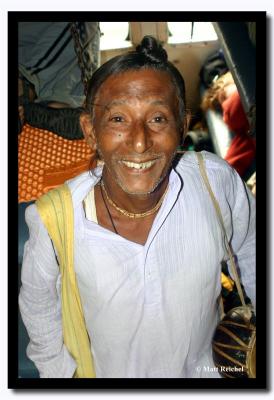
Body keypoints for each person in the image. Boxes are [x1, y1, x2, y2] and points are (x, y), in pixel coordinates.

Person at [19, 36, 256, 378]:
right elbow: (38, 306)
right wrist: (59, 374)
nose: (141, 141)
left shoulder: (216, 183)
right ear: (90, 131)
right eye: (117, 119)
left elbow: (251, 251)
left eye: (158, 119)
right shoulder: (55, 218)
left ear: (183, 126)